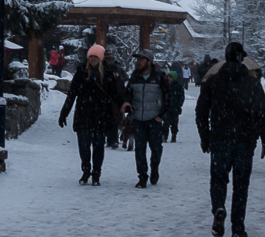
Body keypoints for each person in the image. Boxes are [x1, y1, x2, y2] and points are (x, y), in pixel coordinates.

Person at [194, 41, 265, 237]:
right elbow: (263, 114)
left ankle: (219, 207)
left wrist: (205, 136)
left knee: (218, 179)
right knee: (241, 183)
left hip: (220, 137)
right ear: (241, 58)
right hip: (245, 139)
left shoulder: (213, 82)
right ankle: (237, 226)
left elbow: (201, 111)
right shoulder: (252, 83)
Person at [58, 43, 122, 185]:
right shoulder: (81, 72)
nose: (92, 59)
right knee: (84, 146)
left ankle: (96, 174)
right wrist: (64, 113)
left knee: (98, 146)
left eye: (95, 57)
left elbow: (114, 94)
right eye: (91, 56)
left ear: (100, 58)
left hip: (101, 115)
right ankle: (86, 170)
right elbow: (72, 94)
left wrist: (122, 108)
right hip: (83, 114)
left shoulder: (107, 73)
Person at [124, 48, 175, 186]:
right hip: (138, 119)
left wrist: (163, 115)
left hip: (154, 119)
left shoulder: (159, 77)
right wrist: (127, 102)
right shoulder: (134, 77)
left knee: (156, 148)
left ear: (149, 62)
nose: (138, 62)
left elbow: (168, 97)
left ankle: (154, 168)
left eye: (141, 59)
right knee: (139, 149)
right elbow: (128, 93)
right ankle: (142, 176)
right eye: (137, 59)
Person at [165, 62, 188, 142]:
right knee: (165, 123)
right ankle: (165, 136)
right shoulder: (165, 86)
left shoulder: (178, 86)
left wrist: (178, 105)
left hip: (175, 107)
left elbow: (181, 96)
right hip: (166, 107)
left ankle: (174, 135)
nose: (169, 79)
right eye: (168, 77)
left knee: (174, 123)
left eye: (170, 77)